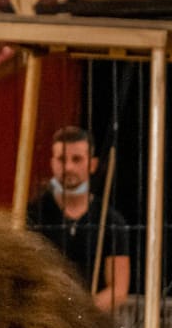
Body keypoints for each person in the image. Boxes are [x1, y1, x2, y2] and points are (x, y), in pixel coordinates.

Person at [25, 126, 133, 313]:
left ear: (92, 164)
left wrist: (81, 316)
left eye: (77, 159)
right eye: (61, 159)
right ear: (52, 163)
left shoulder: (111, 220)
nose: (68, 167)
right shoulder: (32, 215)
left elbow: (119, 290)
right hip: (44, 319)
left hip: (92, 324)